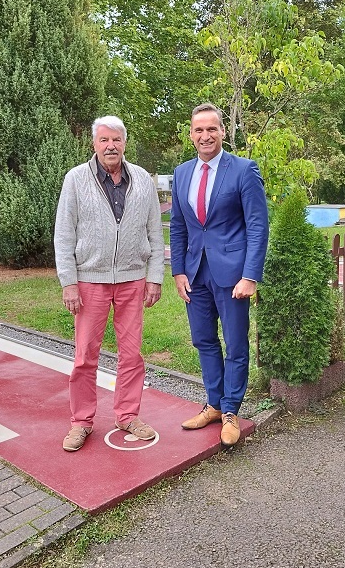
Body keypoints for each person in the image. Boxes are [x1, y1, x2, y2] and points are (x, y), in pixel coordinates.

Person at [54, 116, 164, 452]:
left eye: (116, 140)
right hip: (90, 281)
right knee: (85, 356)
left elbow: (155, 233)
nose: (110, 146)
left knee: (131, 355)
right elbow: (63, 233)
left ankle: (127, 414)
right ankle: (81, 421)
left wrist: (155, 277)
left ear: (124, 143)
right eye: (104, 140)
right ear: (94, 144)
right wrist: (68, 282)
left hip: (133, 279)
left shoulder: (143, 179)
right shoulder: (76, 179)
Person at [170, 103, 268, 447]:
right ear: (191, 134)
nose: (205, 136)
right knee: (204, 340)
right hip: (195, 274)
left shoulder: (243, 170)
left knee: (236, 345)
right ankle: (213, 404)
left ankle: (230, 411)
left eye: (212, 129)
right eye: (199, 130)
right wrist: (178, 270)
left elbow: (258, 225)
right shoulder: (181, 173)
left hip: (233, 276)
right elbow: (179, 225)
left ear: (223, 132)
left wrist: (250, 276)